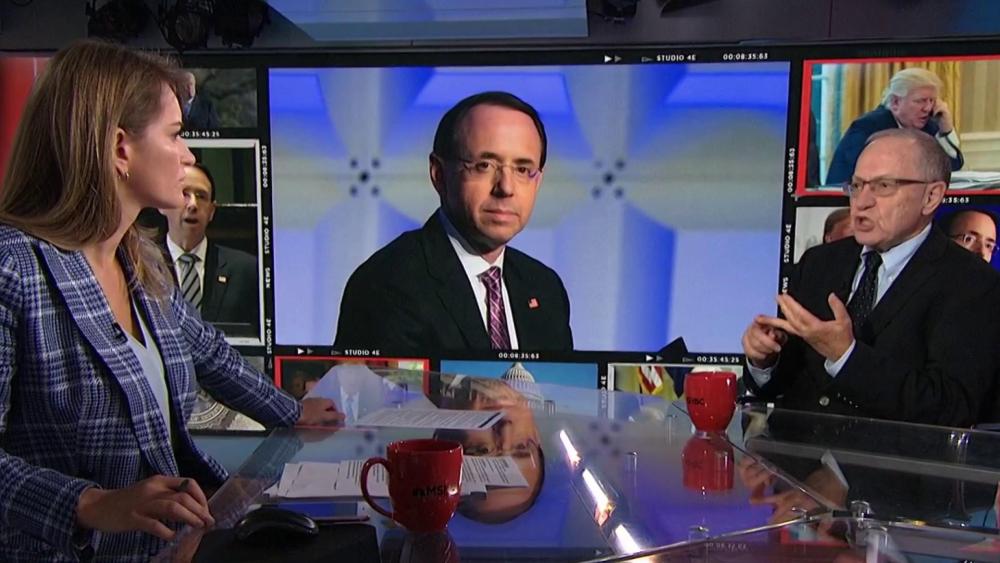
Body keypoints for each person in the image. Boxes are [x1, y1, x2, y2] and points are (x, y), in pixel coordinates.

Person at [0, 41, 341, 562]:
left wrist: (294, 412)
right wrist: (91, 504)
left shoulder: (140, 257)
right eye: (176, 135)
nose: (188, 156)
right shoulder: (13, 268)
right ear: (120, 148)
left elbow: (208, 352)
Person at [742, 128, 1000, 427]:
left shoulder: (972, 283)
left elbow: (951, 407)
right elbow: (781, 384)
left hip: (889, 456)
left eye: (883, 186)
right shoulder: (819, 263)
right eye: (856, 185)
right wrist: (764, 360)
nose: (861, 202)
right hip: (792, 452)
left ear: (931, 197)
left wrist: (847, 356)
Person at [334, 91, 573, 353]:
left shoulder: (545, 288)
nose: (506, 187)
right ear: (439, 174)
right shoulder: (389, 284)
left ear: (537, 182)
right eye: (484, 165)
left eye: (523, 170)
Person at [159, 163, 260, 332]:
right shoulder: (141, 266)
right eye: (184, 194)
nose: (193, 205)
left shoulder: (246, 270)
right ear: (163, 204)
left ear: (212, 211)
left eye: (201, 196)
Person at [826, 68, 963, 186]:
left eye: (932, 101)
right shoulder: (868, 126)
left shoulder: (929, 126)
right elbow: (858, 176)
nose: (927, 108)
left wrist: (946, 130)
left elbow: (952, 167)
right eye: (920, 101)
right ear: (895, 102)